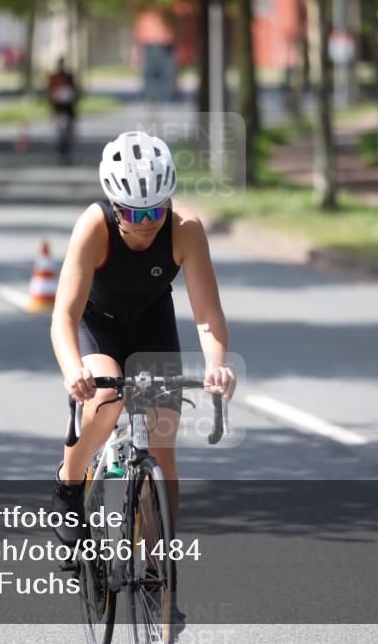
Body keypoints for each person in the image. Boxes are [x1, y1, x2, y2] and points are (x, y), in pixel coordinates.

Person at [50, 130, 236, 538]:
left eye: (156, 210)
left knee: (162, 446)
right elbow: (64, 314)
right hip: (98, 324)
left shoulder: (186, 228)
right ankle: (69, 483)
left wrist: (217, 365)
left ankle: (156, 563)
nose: (148, 222)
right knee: (105, 399)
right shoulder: (93, 226)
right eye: (135, 214)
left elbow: (207, 313)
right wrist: (73, 370)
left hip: (152, 324)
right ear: (115, 206)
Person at [46, 57, 78, 163]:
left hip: (68, 108)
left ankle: (69, 149)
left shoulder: (69, 77)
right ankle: (61, 148)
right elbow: (49, 93)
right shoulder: (54, 78)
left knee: (70, 129)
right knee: (59, 130)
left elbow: (75, 91)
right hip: (58, 108)